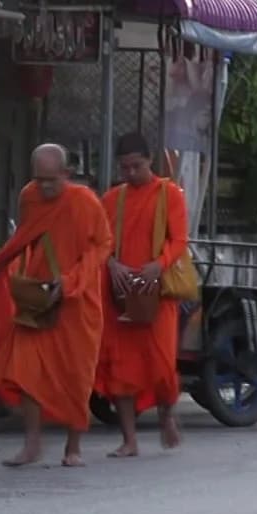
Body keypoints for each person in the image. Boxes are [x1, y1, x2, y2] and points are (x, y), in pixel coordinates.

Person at [0, 143, 113, 467]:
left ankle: (73, 446)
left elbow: (103, 245)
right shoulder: (30, 196)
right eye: (39, 179)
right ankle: (32, 444)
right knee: (25, 370)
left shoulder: (85, 202)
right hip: (38, 296)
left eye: (51, 180)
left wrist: (68, 282)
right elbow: (25, 236)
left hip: (77, 299)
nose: (45, 187)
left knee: (76, 376)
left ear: (66, 174)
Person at [94, 133, 186, 455]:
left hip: (156, 291)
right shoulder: (111, 199)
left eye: (137, 166)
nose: (130, 173)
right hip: (119, 291)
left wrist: (158, 265)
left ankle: (167, 413)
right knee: (120, 368)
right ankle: (129, 440)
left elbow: (179, 241)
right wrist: (112, 263)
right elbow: (99, 242)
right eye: (125, 168)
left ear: (150, 161)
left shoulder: (168, 194)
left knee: (161, 364)